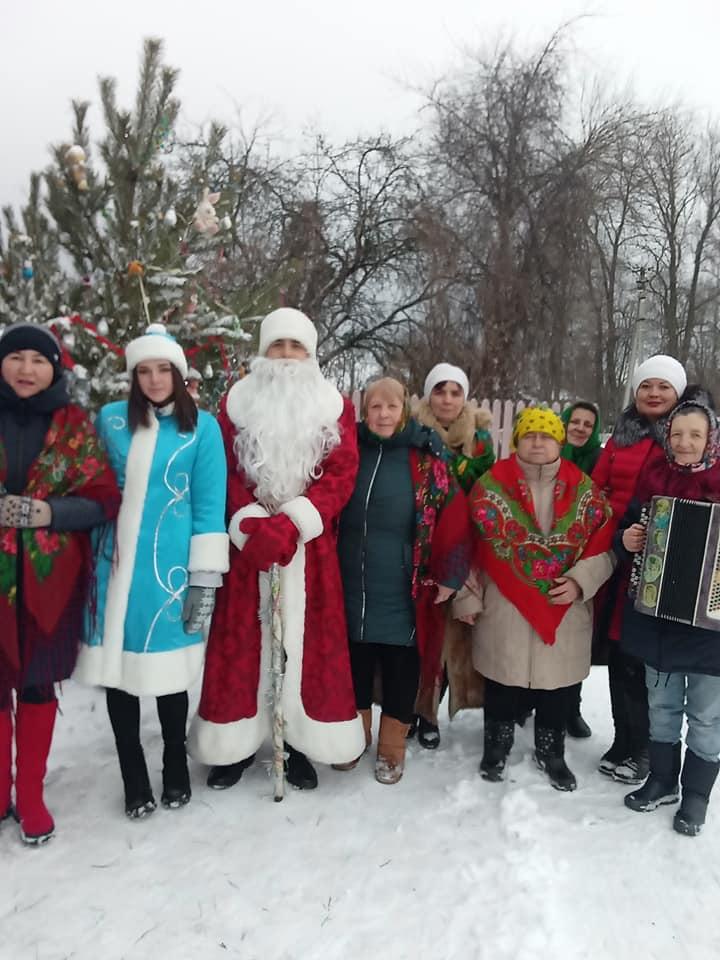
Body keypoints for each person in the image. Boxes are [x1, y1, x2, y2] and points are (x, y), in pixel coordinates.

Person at [188, 308, 365, 790]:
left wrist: (295, 522)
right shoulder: (236, 403)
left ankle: (300, 744)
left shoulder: (334, 406)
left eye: (296, 347)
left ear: (310, 354)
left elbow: (343, 471)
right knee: (242, 645)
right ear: (263, 352)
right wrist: (251, 524)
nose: (286, 357)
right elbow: (219, 469)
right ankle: (234, 744)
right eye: (277, 346)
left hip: (310, 549)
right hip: (250, 547)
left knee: (307, 649)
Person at [74, 323, 229, 818]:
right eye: (145, 370)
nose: (155, 379)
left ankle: (175, 767)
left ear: (180, 374)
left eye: (164, 370)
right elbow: (92, 485)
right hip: (113, 568)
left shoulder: (201, 427)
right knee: (119, 675)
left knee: (169, 675)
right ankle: (133, 778)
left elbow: (208, 507)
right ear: (133, 375)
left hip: (169, 572)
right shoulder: (111, 421)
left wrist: (204, 579)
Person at [0, 324, 120, 843]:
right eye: (16, 357)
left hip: (48, 582)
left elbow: (101, 499)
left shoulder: (74, 427)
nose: (27, 369)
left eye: (39, 360)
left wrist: (46, 511)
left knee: (34, 683)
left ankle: (29, 795)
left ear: (55, 368)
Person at [469, 407, 614, 790]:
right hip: (504, 603)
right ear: (517, 440)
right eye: (530, 434)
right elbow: (466, 546)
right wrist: (467, 598)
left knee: (558, 685)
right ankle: (496, 745)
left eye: (546, 435)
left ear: (559, 442)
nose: (538, 442)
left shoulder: (585, 489)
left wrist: (582, 581)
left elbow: (605, 547)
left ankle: (551, 751)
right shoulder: (490, 485)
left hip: (563, 604)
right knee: (501, 679)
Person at [336, 377, 471, 783]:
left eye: (391, 407)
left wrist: (450, 573)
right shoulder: (347, 452)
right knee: (353, 661)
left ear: (404, 410)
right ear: (364, 411)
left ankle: (392, 748)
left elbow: (454, 516)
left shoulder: (425, 457)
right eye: (375, 406)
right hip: (348, 578)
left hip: (404, 581)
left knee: (400, 663)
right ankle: (351, 738)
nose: (383, 414)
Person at [617, 401, 720, 836]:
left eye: (695, 435)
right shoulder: (653, 478)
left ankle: (695, 794)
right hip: (657, 617)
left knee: (706, 714)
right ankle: (660, 780)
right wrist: (628, 538)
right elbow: (627, 531)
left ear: (709, 439)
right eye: (677, 434)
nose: (684, 443)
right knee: (661, 706)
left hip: (710, 628)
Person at [592, 355, 687, 785]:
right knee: (618, 651)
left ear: (678, 394)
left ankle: (648, 747)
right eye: (646, 386)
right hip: (616, 550)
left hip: (664, 560)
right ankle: (623, 738)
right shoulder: (620, 439)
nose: (654, 393)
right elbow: (597, 489)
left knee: (645, 657)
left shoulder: (684, 437)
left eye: (663, 387)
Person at [410, 363, 493, 748]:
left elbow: (486, 490)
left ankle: (436, 708)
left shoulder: (480, 443)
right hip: (417, 545)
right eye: (439, 391)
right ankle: (416, 710)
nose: (446, 399)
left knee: (453, 635)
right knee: (419, 634)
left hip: (463, 548)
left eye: (454, 392)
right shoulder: (411, 434)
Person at [560, 400, 603, 739]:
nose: (580, 428)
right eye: (574, 421)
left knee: (573, 639)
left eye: (587, 424)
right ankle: (526, 703)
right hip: (540, 553)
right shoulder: (546, 452)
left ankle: (569, 708)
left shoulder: (599, 462)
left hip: (582, 555)